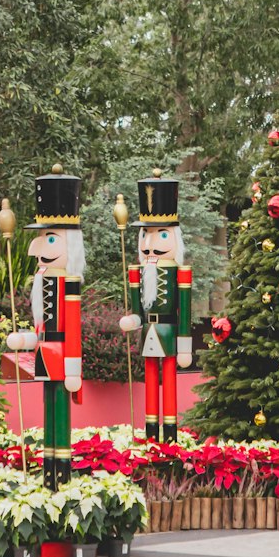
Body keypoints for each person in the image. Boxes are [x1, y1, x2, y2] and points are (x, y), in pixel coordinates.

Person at [7, 165, 83, 488]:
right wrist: (23, 338)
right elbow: (41, 326)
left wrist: (74, 369)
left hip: (64, 358)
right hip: (44, 353)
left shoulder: (70, 284)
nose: (38, 248)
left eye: (49, 238)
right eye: (41, 237)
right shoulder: (41, 281)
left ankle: (61, 470)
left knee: (60, 413)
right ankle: (48, 467)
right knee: (47, 409)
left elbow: (74, 330)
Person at [119, 170, 191, 442]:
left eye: (159, 235)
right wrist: (133, 320)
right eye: (145, 235)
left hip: (170, 332)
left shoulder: (180, 272)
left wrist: (185, 345)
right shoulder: (138, 271)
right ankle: (151, 432)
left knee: (169, 380)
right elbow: (138, 308)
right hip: (149, 331)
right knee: (150, 381)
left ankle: (170, 434)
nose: (149, 244)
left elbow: (184, 311)